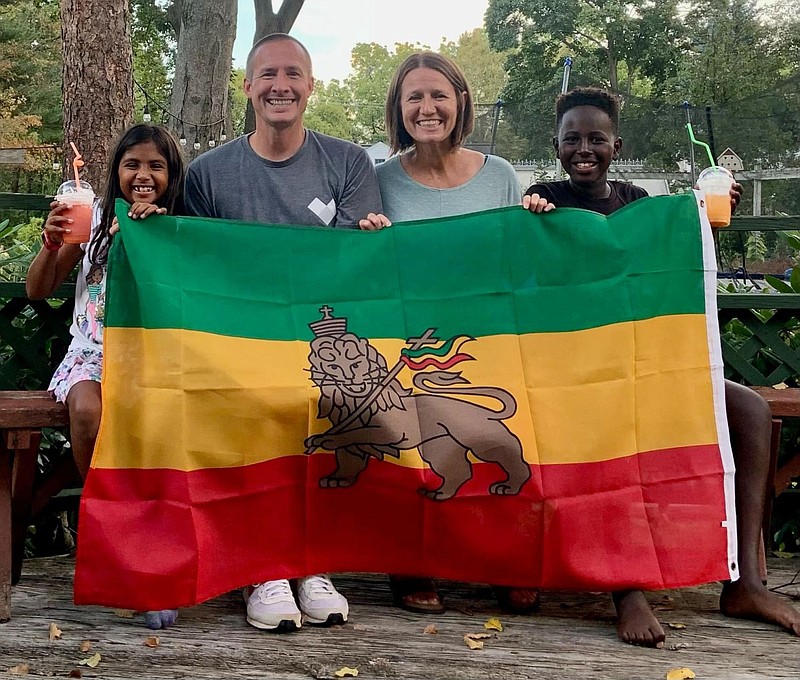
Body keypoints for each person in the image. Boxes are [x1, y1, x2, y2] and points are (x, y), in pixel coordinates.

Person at [524, 86, 800, 646]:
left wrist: (707, 215)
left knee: (747, 408)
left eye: (596, 138)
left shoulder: (636, 201)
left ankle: (746, 580)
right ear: (555, 147)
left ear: (615, 145)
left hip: (644, 363)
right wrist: (534, 216)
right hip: (572, 376)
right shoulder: (542, 197)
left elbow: (675, 248)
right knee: (615, 423)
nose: (584, 148)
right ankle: (627, 586)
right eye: (572, 139)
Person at [183, 33, 383, 633]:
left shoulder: (349, 163)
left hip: (319, 339)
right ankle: (262, 566)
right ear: (246, 87)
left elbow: (348, 271)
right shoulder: (207, 173)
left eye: (293, 74)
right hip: (237, 344)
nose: (281, 86)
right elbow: (195, 268)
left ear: (311, 86)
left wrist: (374, 240)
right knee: (251, 404)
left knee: (325, 407)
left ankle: (310, 561)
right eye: (268, 75)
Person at [359, 51, 551, 616]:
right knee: (420, 449)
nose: (427, 107)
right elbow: (365, 269)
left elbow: (523, 262)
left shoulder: (500, 175)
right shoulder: (377, 180)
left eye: (438, 95)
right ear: (398, 109)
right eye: (413, 97)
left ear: (460, 101)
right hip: (410, 344)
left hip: (487, 340)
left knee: (496, 443)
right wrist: (367, 233)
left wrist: (539, 215)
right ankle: (413, 562)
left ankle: (503, 559)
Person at [26, 123, 186, 630]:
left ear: (171, 175)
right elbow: (39, 289)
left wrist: (152, 234)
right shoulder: (93, 221)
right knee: (89, 411)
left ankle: (161, 553)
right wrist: (53, 244)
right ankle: (115, 536)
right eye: (131, 164)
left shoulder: (178, 223)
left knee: (162, 426)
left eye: (155, 166)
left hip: (157, 357)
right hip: (92, 354)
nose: (143, 175)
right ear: (115, 172)